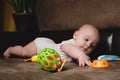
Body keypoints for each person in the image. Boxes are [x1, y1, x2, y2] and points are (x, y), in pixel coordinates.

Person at [3, 24, 100, 67]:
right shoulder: (70, 44)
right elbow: (69, 49)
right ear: (76, 35)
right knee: (24, 52)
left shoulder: (82, 54)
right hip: (40, 45)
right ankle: (11, 49)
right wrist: (81, 55)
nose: (88, 45)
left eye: (92, 46)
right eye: (86, 39)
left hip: (51, 44)